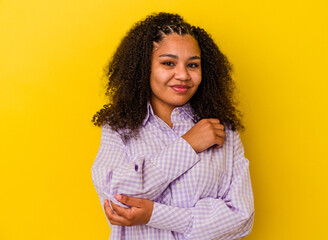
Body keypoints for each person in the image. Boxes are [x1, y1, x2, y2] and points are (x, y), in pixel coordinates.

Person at [91, 12, 254, 240]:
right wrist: (188, 145)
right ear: (144, 67)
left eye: (193, 65)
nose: (183, 75)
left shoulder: (223, 129)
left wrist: (153, 214)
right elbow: (118, 199)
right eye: (168, 63)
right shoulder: (119, 129)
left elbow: (240, 217)